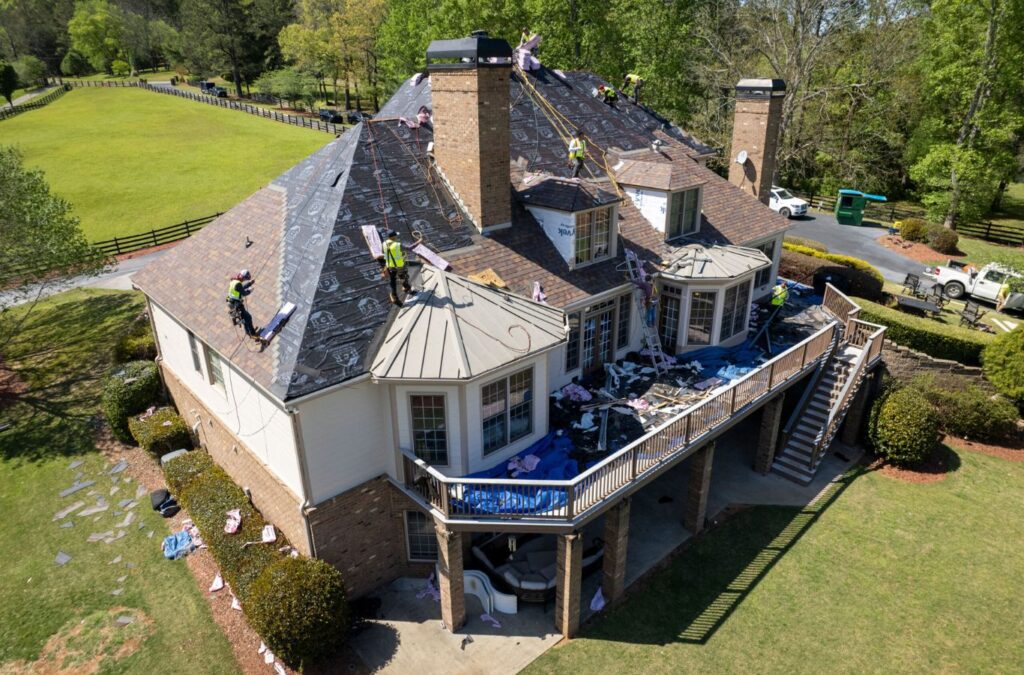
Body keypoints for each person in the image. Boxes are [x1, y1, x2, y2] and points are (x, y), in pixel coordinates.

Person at [377, 230, 415, 306]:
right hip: (399, 265)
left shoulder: (384, 244)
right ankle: (406, 288)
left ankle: (395, 297)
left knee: (393, 281)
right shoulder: (397, 245)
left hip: (390, 265)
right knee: (404, 277)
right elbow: (410, 248)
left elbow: (383, 252)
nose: (397, 237)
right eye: (396, 236)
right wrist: (419, 242)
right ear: (393, 236)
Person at [226, 269, 261, 339]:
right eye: (245, 279)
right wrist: (249, 291)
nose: (244, 280)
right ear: (243, 277)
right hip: (236, 305)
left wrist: (249, 284)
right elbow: (243, 292)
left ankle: (249, 332)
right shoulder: (238, 283)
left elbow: (240, 288)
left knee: (245, 318)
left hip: (231, 302)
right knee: (248, 318)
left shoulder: (234, 281)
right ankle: (253, 334)